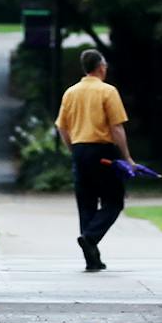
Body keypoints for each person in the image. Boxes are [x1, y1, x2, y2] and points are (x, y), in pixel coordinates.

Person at [55, 47, 131, 271]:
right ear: (100, 67)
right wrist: (127, 157)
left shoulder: (71, 92)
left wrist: (73, 150)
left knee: (86, 203)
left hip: (79, 150)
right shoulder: (108, 91)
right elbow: (116, 128)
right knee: (114, 200)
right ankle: (90, 237)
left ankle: (92, 258)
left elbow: (62, 127)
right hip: (103, 152)